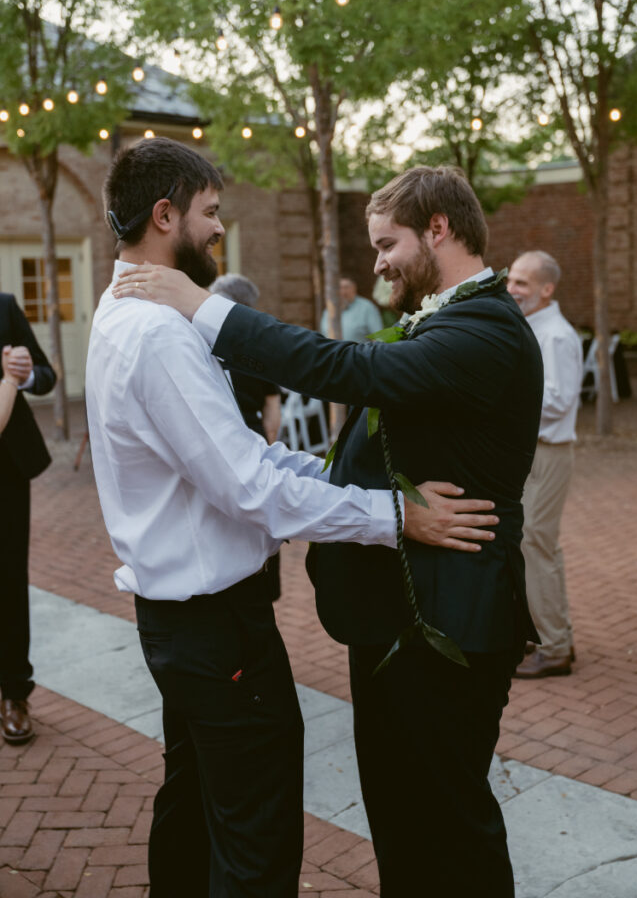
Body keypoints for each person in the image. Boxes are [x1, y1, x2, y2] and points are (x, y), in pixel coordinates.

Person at [115, 164, 544, 897]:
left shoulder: (487, 328)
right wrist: (318, 482)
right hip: (396, 623)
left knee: (448, 821)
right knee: (401, 815)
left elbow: (350, 369)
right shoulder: (447, 320)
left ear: (437, 230)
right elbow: (371, 447)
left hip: (447, 624)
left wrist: (203, 307)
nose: (375, 262)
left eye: (386, 243)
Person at [507, 250, 583, 678]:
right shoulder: (532, 327)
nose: (513, 289)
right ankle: (546, 633)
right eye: (512, 280)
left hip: (550, 453)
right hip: (533, 452)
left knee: (537, 544)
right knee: (531, 544)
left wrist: (503, 397)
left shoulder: (554, 335)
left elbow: (559, 400)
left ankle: (555, 648)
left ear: (546, 289)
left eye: (522, 283)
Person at [0, 295, 56, 745]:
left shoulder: (3, 307)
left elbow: (47, 376)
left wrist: (27, 373)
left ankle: (14, 694)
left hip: (6, 471)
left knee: (8, 582)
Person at [210, 272, 283, 600]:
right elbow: (273, 409)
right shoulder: (257, 347)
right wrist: (268, 442)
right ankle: (262, 586)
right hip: (250, 437)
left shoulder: (202, 342)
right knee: (261, 518)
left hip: (219, 442)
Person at [320, 275, 383, 342]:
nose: (343, 292)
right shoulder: (328, 310)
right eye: (339, 288)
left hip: (359, 352)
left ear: (354, 288)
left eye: (346, 287)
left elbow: (378, 337)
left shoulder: (367, 307)